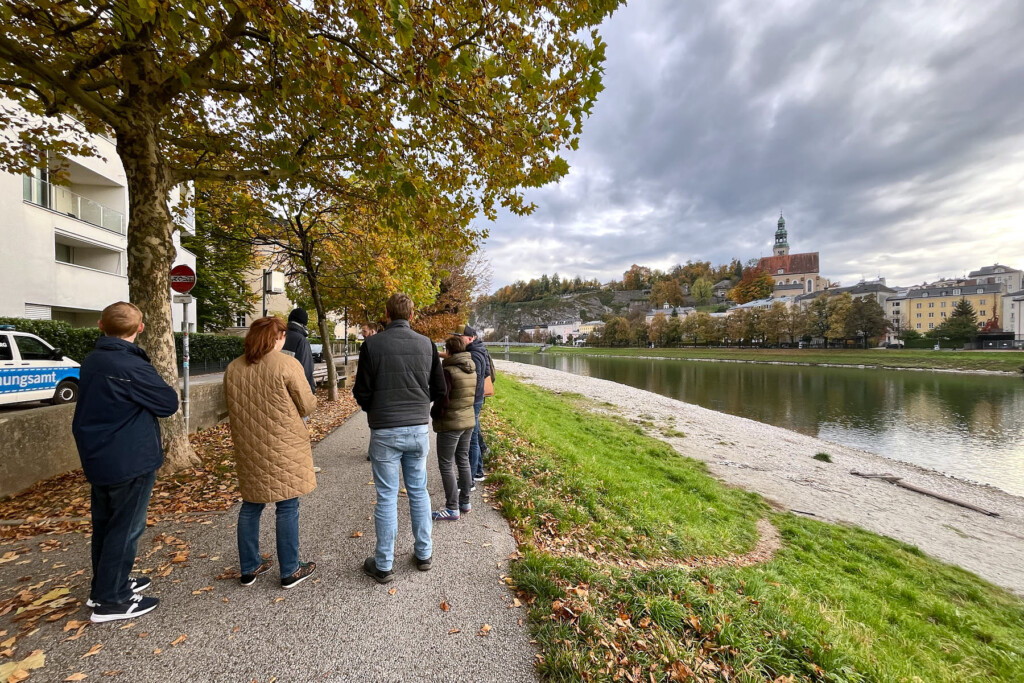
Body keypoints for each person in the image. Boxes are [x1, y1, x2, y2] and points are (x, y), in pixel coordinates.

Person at [72, 302, 179, 623]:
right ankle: (112, 599)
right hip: (129, 458)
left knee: (106, 525)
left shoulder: (93, 360)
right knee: (126, 527)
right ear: (141, 328)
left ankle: (104, 586)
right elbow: (167, 402)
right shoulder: (129, 365)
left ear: (100, 325)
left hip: (99, 455)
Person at [353, 293, 445, 583]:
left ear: (387, 314)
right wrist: (419, 404)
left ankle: (383, 564)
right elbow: (440, 388)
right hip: (417, 429)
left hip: (385, 429)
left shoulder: (372, 345)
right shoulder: (427, 344)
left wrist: (377, 409)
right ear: (413, 315)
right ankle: (424, 553)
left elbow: (361, 391)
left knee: (387, 496)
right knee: (418, 491)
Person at [224, 316, 318, 589]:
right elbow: (307, 405)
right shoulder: (287, 364)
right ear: (276, 338)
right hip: (283, 444)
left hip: (249, 444)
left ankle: (249, 566)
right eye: (282, 336)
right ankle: (290, 569)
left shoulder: (233, 368)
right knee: (287, 505)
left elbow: (228, 404)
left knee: (251, 505)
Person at [430, 335, 477, 521]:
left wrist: (435, 414)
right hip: (468, 421)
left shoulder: (448, 371)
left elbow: (442, 398)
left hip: (451, 423)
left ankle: (452, 507)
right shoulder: (471, 368)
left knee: (446, 464)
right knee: (463, 460)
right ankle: (465, 502)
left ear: (448, 351)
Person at [461, 325, 495, 482]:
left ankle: (471, 478)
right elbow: (487, 373)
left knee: (472, 437)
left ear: (469, 338)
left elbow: (476, 377)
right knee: (475, 432)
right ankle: (479, 471)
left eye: (459, 336)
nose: (456, 339)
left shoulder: (474, 354)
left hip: (474, 398)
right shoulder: (479, 349)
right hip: (478, 397)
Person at [283, 308, 316, 394]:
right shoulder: (301, 340)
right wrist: (310, 392)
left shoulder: (278, 337)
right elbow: (306, 370)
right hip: (295, 391)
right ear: (304, 323)